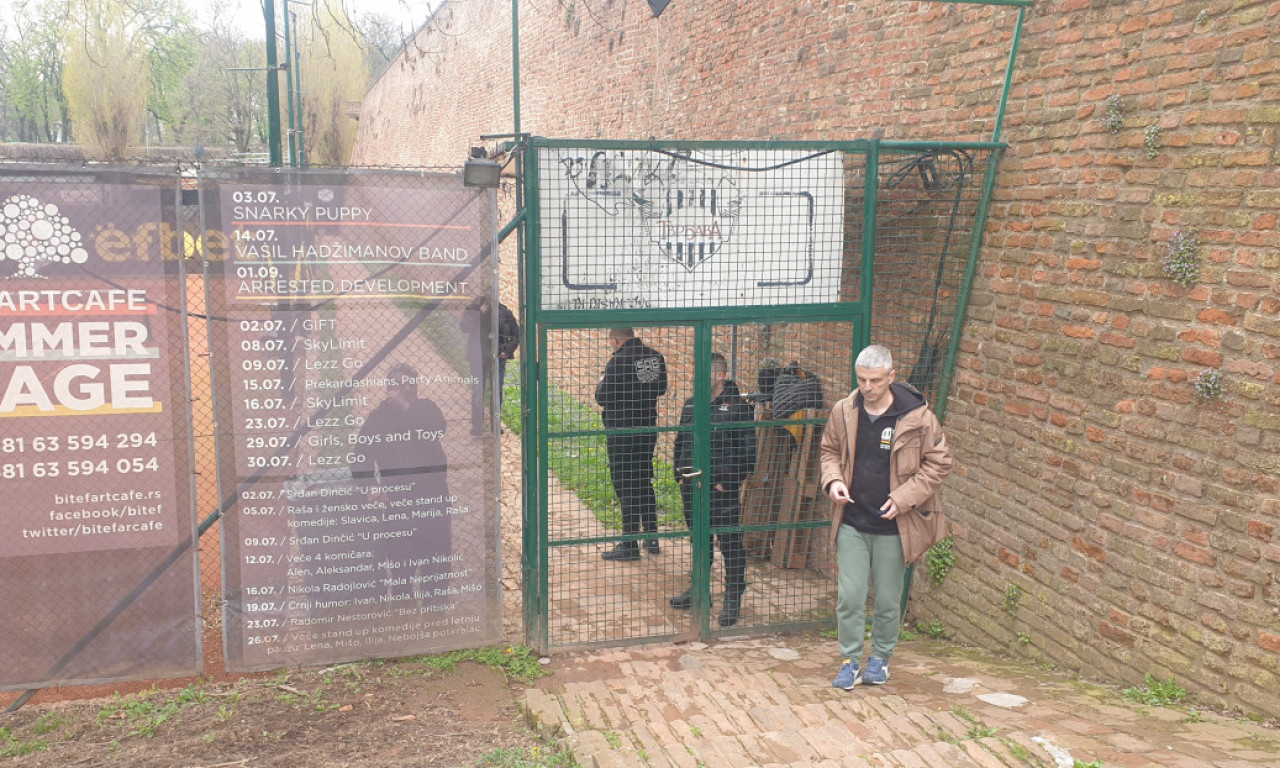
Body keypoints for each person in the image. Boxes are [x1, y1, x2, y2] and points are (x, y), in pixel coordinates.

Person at [819, 345, 952, 689]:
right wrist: (833, 480)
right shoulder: (844, 411)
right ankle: (850, 660)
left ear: (891, 377)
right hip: (852, 520)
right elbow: (829, 451)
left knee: (888, 600)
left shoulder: (919, 418)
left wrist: (903, 498)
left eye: (875, 380)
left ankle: (880, 656)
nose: (867, 387)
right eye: (861, 379)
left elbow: (939, 464)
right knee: (850, 596)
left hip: (895, 525)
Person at [670, 353, 756, 627]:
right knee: (699, 539)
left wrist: (727, 482)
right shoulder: (692, 403)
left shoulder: (739, 409)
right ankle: (699, 590)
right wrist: (679, 474)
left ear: (719, 376)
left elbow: (749, 453)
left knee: (729, 543)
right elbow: (681, 441)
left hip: (720, 490)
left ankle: (733, 596)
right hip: (692, 485)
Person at [351, 363, 451, 591]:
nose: (406, 390)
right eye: (398, 385)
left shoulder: (427, 409)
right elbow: (360, 457)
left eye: (409, 385)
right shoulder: (378, 418)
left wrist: (406, 408)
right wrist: (371, 486)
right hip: (398, 499)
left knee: (436, 559)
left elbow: (437, 429)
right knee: (401, 561)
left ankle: (436, 609)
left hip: (432, 497)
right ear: (389, 388)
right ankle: (403, 607)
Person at [595, 327, 668, 561]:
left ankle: (629, 542)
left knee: (625, 482)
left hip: (622, 431)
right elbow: (659, 389)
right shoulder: (652, 357)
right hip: (646, 428)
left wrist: (602, 383)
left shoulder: (618, 361)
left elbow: (602, 396)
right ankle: (652, 535)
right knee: (643, 478)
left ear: (616, 340)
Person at [461, 295, 519, 434]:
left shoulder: (505, 313)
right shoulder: (474, 310)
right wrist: (475, 311)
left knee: (496, 392)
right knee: (478, 392)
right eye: (486, 294)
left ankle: (495, 425)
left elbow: (516, 334)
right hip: (478, 358)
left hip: (497, 358)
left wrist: (507, 351)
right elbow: (464, 328)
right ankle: (477, 426)